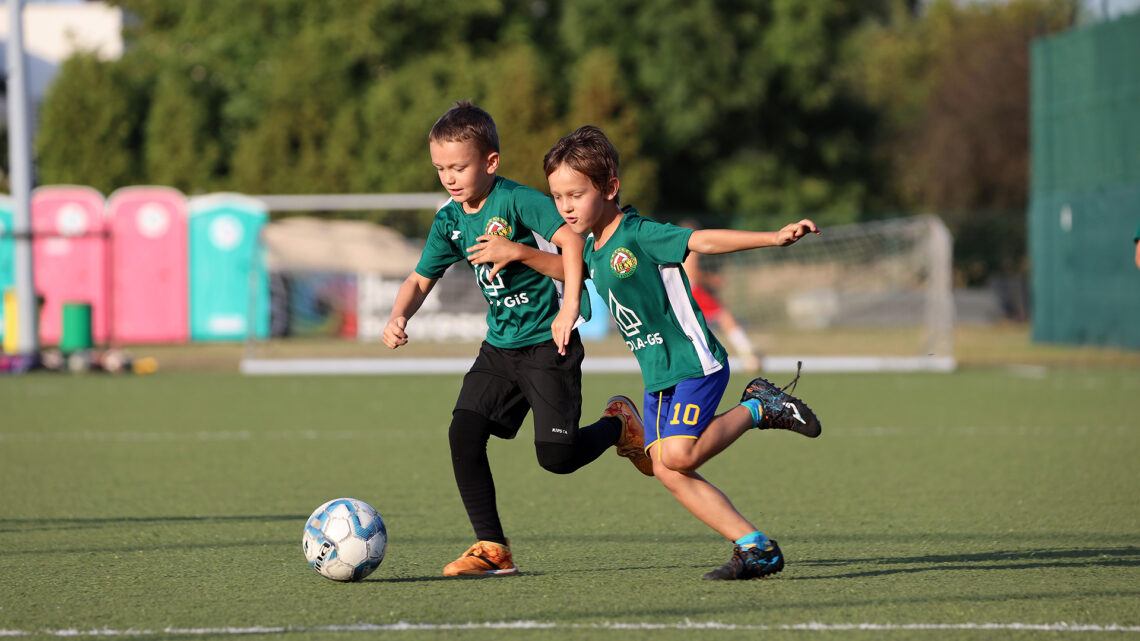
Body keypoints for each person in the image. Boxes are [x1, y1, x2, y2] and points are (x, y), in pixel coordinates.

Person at [382, 102, 652, 578]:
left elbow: (573, 244)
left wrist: (528, 262)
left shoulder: (516, 200)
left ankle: (619, 425)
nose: (449, 177)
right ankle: (492, 547)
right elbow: (420, 278)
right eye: (440, 168)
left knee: (557, 458)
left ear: (490, 162)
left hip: (549, 345)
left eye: (458, 166)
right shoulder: (449, 221)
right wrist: (398, 315)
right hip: (500, 348)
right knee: (463, 432)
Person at [544, 125, 822, 581]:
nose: (566, 206)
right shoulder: (592, 249)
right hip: (659, 376)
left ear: (610, 187)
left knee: (678, 457)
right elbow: (562, 266)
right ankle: (755, 548)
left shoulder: (638, 233)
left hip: (695, 363)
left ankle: (759, 406)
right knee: (664, 469)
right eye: (558, 197)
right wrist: (515, 252)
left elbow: (702, 240)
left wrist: (773, 238)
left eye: (575, 194)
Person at [679, 218, 762, 372]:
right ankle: (748, 352)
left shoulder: (674, 245)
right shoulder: (689, 243)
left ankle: (746, 352)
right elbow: (690, 273)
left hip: (683, 289)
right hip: (691, 289)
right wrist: (711, 278)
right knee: (723, 315)